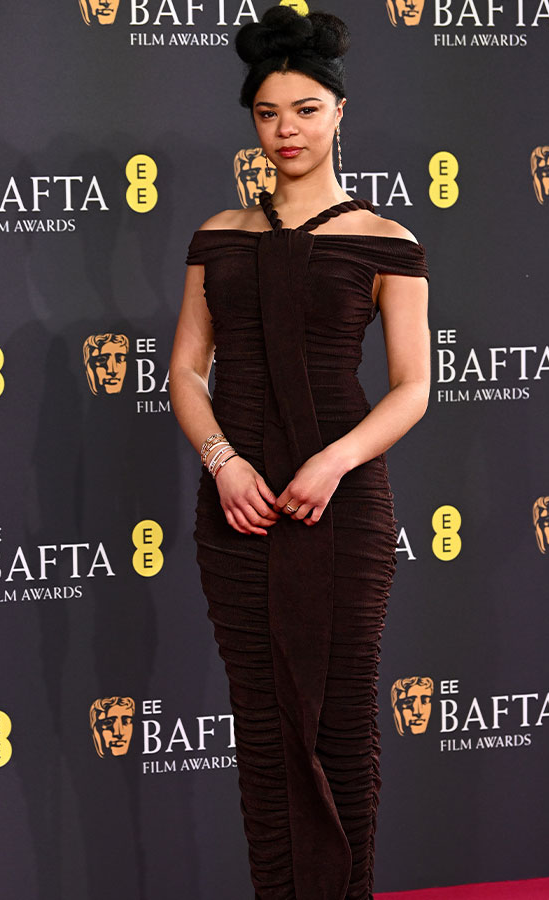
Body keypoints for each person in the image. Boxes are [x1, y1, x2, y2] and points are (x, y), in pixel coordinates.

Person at [169, 6, 429, 898]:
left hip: (341, 506)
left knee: (344, 721)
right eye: (270, 112)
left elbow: (412, 385)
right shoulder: (218, 235)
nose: (287, 130)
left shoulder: (387, 242)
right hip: (236, 509)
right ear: (253, 121)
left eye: (306, 109)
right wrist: (224, 462)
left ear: (339, 112)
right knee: (266, 727)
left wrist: (333, 462)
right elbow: (185, 371)